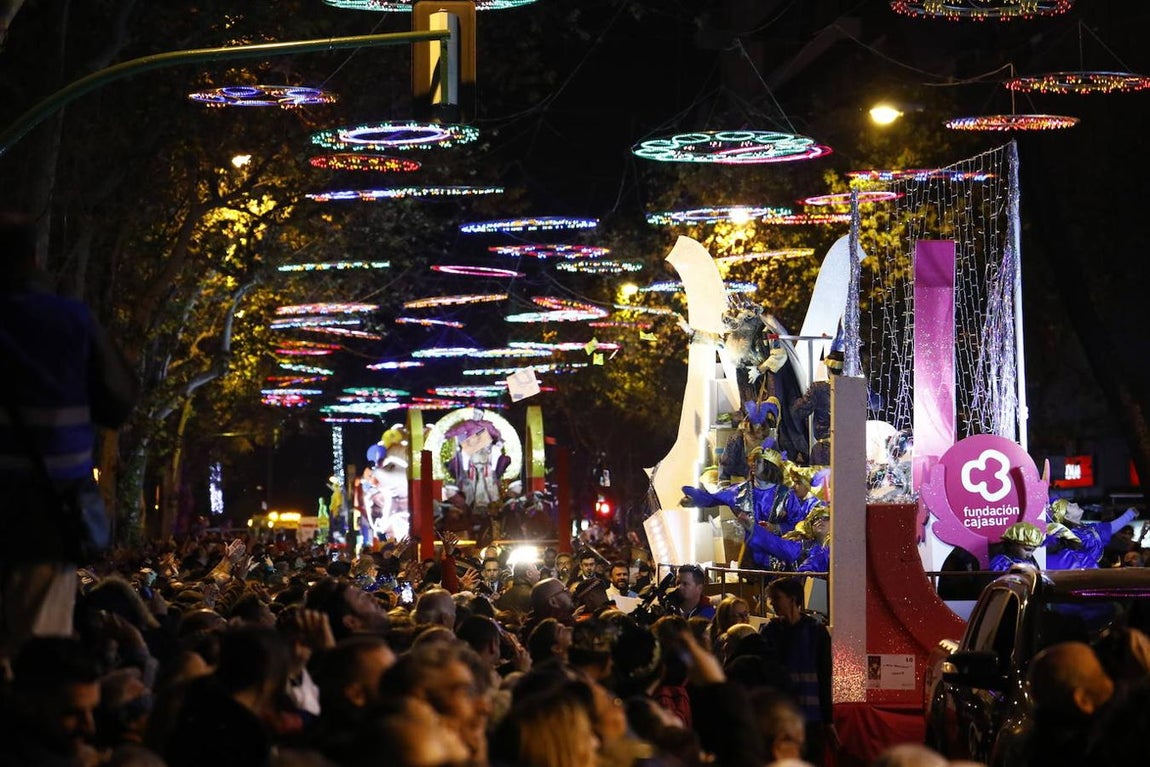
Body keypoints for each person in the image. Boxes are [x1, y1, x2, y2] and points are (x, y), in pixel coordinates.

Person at [0, 213, 136, 663]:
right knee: (36, 653)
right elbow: (117, 401)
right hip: (44, 517)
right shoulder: (71, 320)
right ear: (34, 256)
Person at [761, 577, 837, 766]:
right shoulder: (769, 632)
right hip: (781, 718)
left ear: (793, 599)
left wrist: (827, 720)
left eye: (777, 598)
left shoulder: (817, 632)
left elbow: (825, 676)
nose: (772, 603)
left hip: (810, 719)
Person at [1018, 641, 1114, 767]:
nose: (1111, 683)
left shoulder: (1036, 752)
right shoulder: (1110, 749)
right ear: (1083, 701)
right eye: (1101, 675)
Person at [790, 347, 843, 466]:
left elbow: (797, 412)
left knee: (822, 483)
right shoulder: (853, 389)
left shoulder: (819, 388)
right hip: (848, 448)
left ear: (829, 369)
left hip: (825, 449)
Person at [742, 505, 832, 573]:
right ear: (810, 527)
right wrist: (753, 528)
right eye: (815, 519)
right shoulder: (803, 547)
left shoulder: (840, 547)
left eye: (825, 518)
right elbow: (777, 545)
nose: (820, 521)